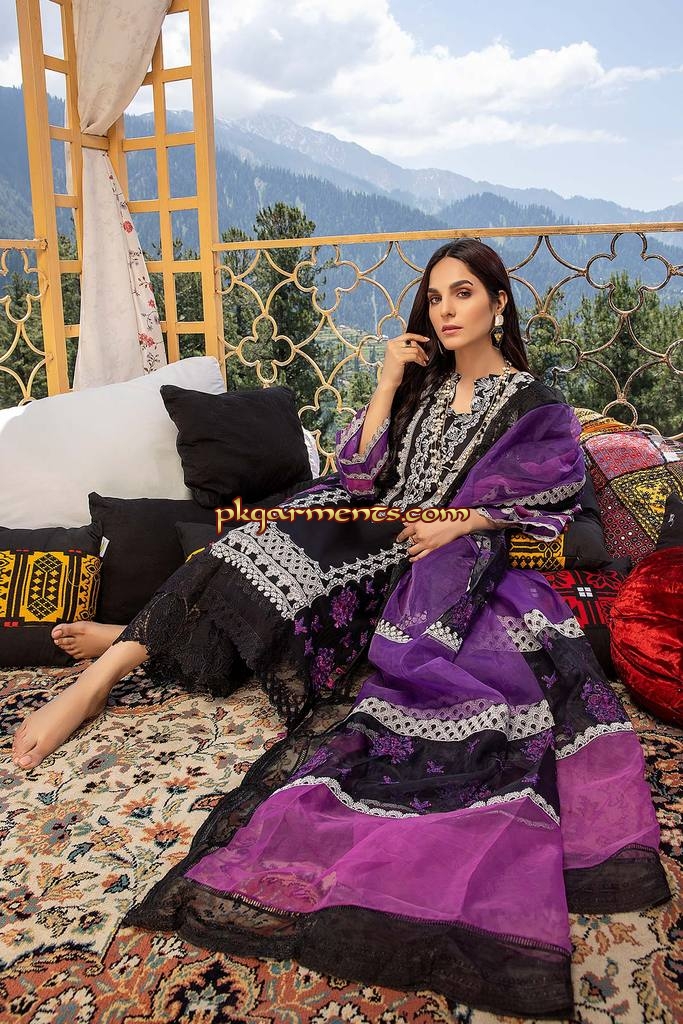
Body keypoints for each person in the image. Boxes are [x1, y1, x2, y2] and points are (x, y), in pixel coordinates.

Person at [11, 240, 670, 1018]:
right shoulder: (422, 388)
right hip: (367, 518)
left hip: (435, 552)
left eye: (462, 293)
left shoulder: (537, 405)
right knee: (253, 543)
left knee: (300, 594)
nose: (445, 310)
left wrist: (465, 520)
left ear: (498, 302)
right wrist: (388, 381)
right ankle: (106, 671)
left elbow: (552, 493)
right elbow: (357, 473)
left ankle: (136, 632)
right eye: (434, 297)